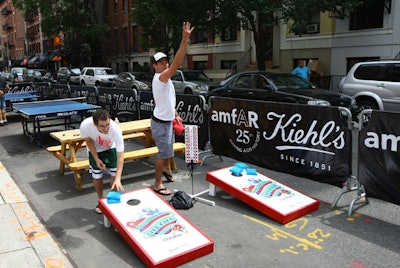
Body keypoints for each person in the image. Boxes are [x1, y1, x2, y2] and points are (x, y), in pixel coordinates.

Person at [150, 21, 194, 195]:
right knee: (163, 153)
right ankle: (157, 184)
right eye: (161, 63)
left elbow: (168, 99)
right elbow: (177, 64)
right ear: (155, 66)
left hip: (166, 120)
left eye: (166, 61)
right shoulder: (160, 77)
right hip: (160, 123)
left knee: (168, 150)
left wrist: (175, 114)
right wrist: (184, 40)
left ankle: (167, 171)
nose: (165, 64)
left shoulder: (164, 80)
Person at [80, 109, 125, 214]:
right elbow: (89, 141)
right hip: (95, 150)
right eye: (102, 126)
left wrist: (118, 179)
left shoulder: (115, 129)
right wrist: (96, 159)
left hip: (110, 149)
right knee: (97, 176)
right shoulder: (85, 125)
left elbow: (121, 156)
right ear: (95, 124)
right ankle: (100, 200)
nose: (106, 129)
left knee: (115, 178)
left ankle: (112, 201)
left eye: (107, 125)